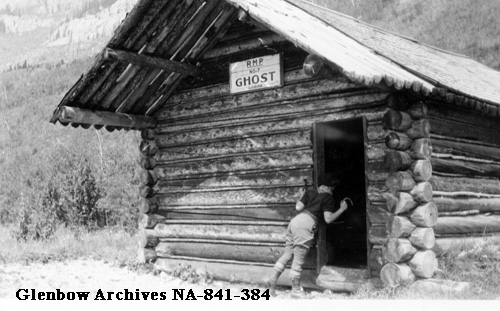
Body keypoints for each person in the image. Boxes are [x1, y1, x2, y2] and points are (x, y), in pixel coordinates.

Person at [265, 174, 349, 297]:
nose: (333, 190)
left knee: (288, 254)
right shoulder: (328, 198)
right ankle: (295, 290)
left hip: (295, 222)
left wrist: (301, 196)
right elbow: (328, 219)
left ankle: (272, 279)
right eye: (333, 187)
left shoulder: (310, 193)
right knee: (298, 259)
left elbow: (298, 207)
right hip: (306, 225)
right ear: (330, 187)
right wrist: (342, 209)